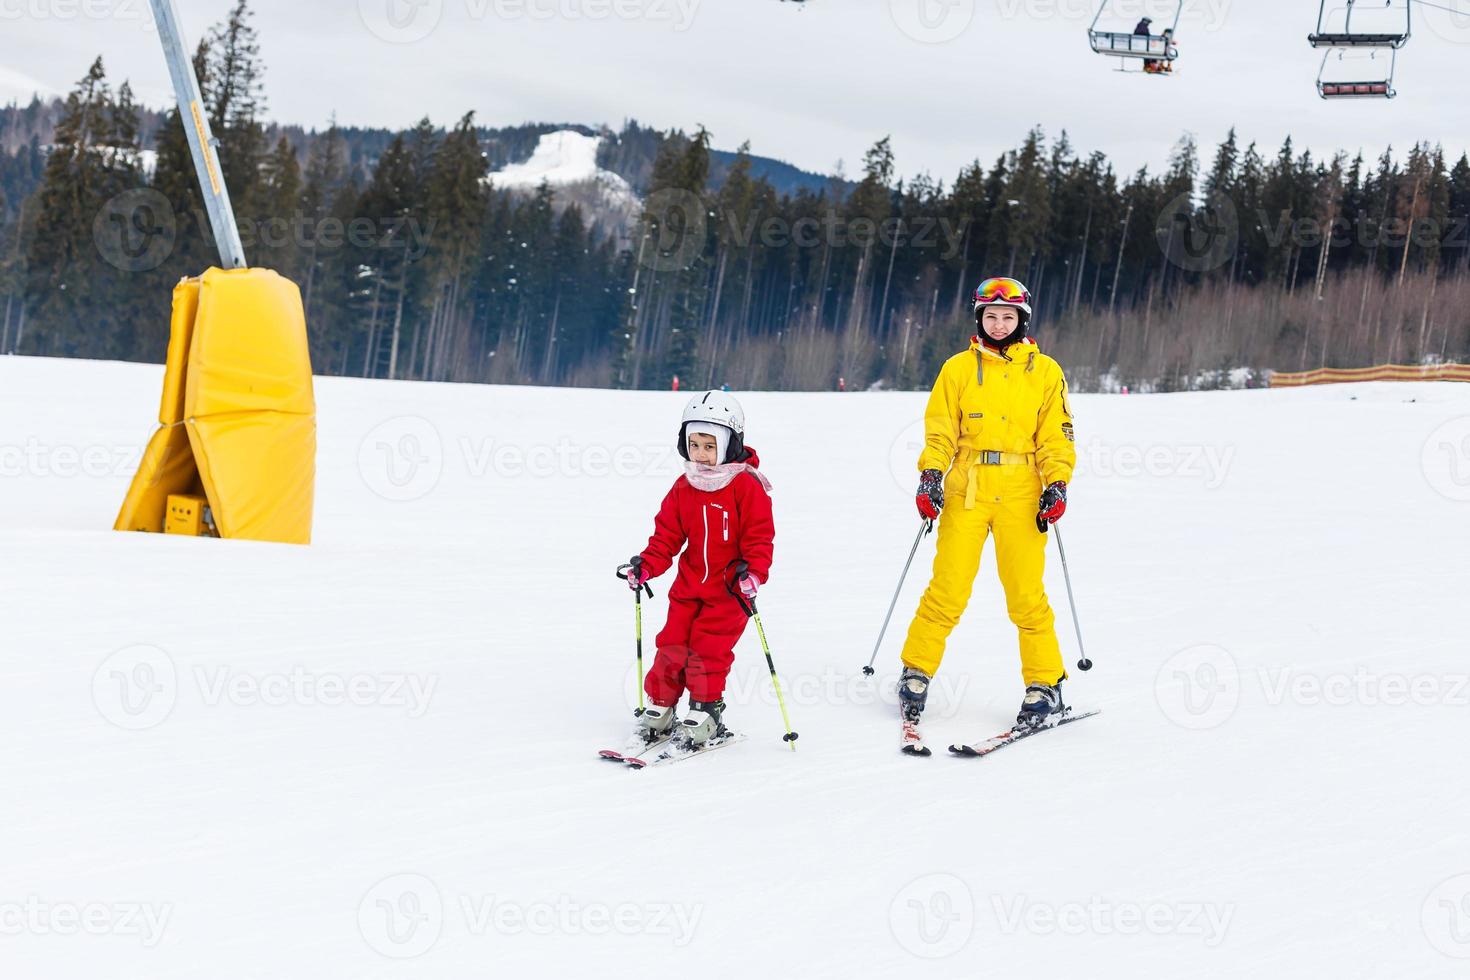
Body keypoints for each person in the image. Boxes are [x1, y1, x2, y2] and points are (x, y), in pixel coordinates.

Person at [898, 277, 1076, 745]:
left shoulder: (1046, 372)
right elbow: (940, 432)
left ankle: (1045, 684)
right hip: (967, 489)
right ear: (979, 319)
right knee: (948, 588)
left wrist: (1056, 483)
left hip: (1022, 490)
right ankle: (915, 671)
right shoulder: (957, 370)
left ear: (1022, 320)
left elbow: (1055, 437)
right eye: (991, 316)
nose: (999, 324)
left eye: (1008, 316)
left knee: (1025, 595)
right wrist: (931, 475)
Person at [618, 390, 775, 749]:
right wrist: (647, 565)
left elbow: (759, 538)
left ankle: (706, 712)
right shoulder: (684, 486)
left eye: (709, 445)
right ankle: (661, 706)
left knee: (708, 651)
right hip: (688, 587)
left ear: (729, 444)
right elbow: (667, 536)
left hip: (729, 591)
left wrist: (752, 572)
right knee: (671, 644)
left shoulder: (746, 486)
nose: (700, 454)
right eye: (694, 444)